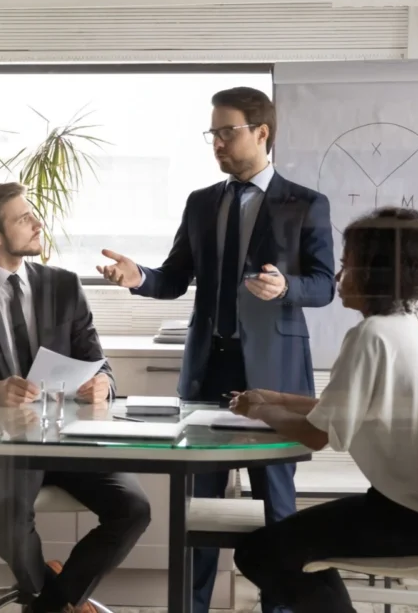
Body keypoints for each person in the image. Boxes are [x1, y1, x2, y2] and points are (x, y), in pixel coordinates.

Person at [97, 87, 335, 613]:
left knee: (278, 509)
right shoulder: (202, 202)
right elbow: (176, 278)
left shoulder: (306, 203)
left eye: (228, 131)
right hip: (208, 371)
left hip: (274, 377)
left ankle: (279, 608)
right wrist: (139, 278)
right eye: (213, 133)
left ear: (262, 132)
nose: (218, 143)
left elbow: (324, 285)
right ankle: (192, 607)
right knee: (195, 510)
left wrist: (287, 288)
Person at [0, 182, 151, 613]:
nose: (37, 223)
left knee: (133, 508)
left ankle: (48, 604)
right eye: (24, 218)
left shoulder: (63, 286)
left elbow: (97, 361)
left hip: (69, 442)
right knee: (9, 517)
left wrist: (102, 383)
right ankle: (56, 598)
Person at [227, 207, 418, 613]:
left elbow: (319, 435)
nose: (338, 278)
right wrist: (276, 400)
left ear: (376, 271)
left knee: (261, 552)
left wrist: (257, 411)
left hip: (409, 517)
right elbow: (351, 408)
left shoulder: (371, 335)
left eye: (345, 266)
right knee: (297, 548)